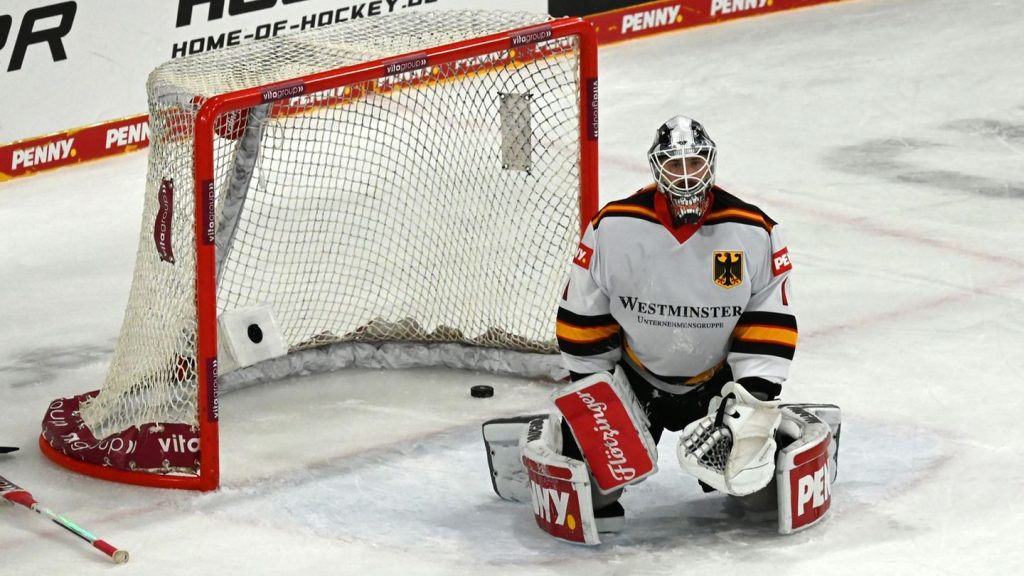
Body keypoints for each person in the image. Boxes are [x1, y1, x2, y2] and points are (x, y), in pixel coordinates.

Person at [554, 115, 798, 530]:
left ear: (710, 163)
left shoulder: (753, 231)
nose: (686, 176)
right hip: (635, 381)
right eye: (674, 165)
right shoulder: (614, 227)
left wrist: (751, 401)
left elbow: (768, 322)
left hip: (717, 385)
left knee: (762, 497)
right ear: (656, 167)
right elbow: (583, 318)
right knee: (594, 494)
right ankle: (564, 440)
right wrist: (595, 398)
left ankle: (786, 436)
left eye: (695, 163)